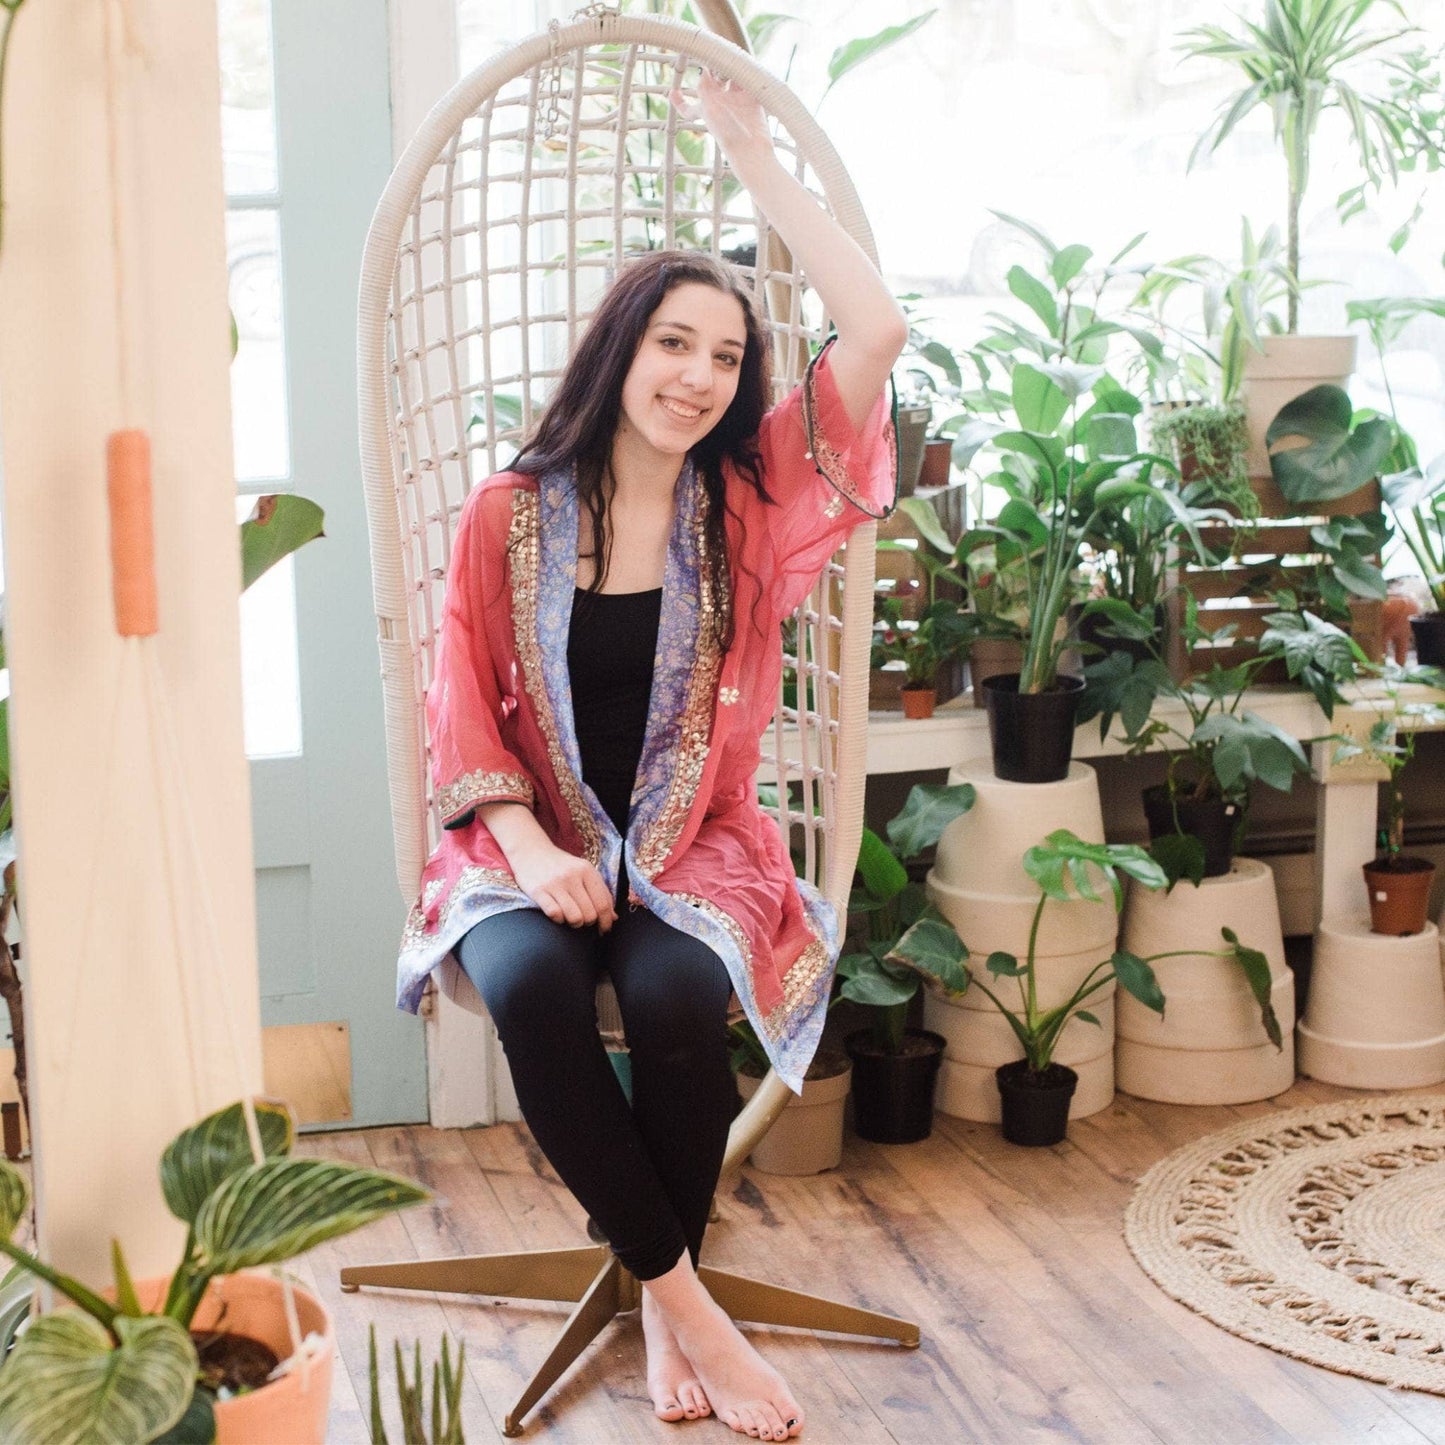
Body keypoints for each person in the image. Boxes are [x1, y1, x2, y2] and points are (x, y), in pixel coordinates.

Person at [394, 72, 905, 1442]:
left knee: (678, 1009)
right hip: (522, 844)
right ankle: (688, 1305)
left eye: (724, 356)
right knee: (534, 993)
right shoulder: (507, 513)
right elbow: (460, 710)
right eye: (673, 342)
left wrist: (756, 156)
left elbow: (877, 327)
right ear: (620, 348)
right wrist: (532, 850)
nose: (696, 375)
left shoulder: (746, 503)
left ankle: (664, 1301)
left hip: (696, 848)